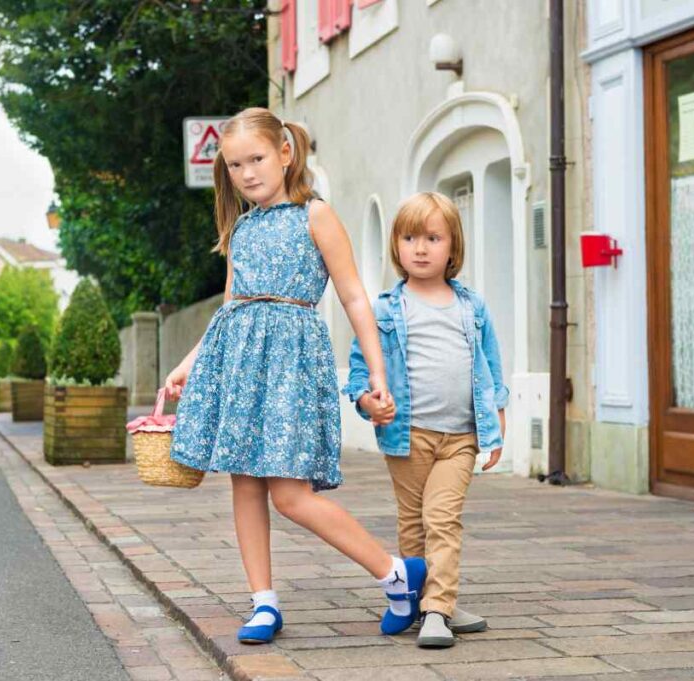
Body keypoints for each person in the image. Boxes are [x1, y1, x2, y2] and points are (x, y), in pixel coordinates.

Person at [164, 107, 425, 644]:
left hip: (291, 363)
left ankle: (396, 573)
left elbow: (354, 296)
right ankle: (263, 602)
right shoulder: (239, 227)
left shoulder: (315, 215)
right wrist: (189, 364)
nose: (247, 173)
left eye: (256, 159)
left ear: (285, 154)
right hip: (238, 363)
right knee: (244, 482)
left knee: (290, 494)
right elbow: (232, 304)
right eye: (235, 165)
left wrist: (377, 373)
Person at [343, 191, 508, 648]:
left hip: (460, 437)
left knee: (442, 517)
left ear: (452, 247)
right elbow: (360, 368)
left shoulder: (472, 308)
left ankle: (437, 608)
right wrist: (367, 401)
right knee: (413, 522)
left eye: (432, 238)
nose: (420, 248)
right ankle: (424, 600)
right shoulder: (385, 310)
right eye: (410, 237)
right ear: (396, 246)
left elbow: (490, 363)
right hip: (407, 435)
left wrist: (498, 414)